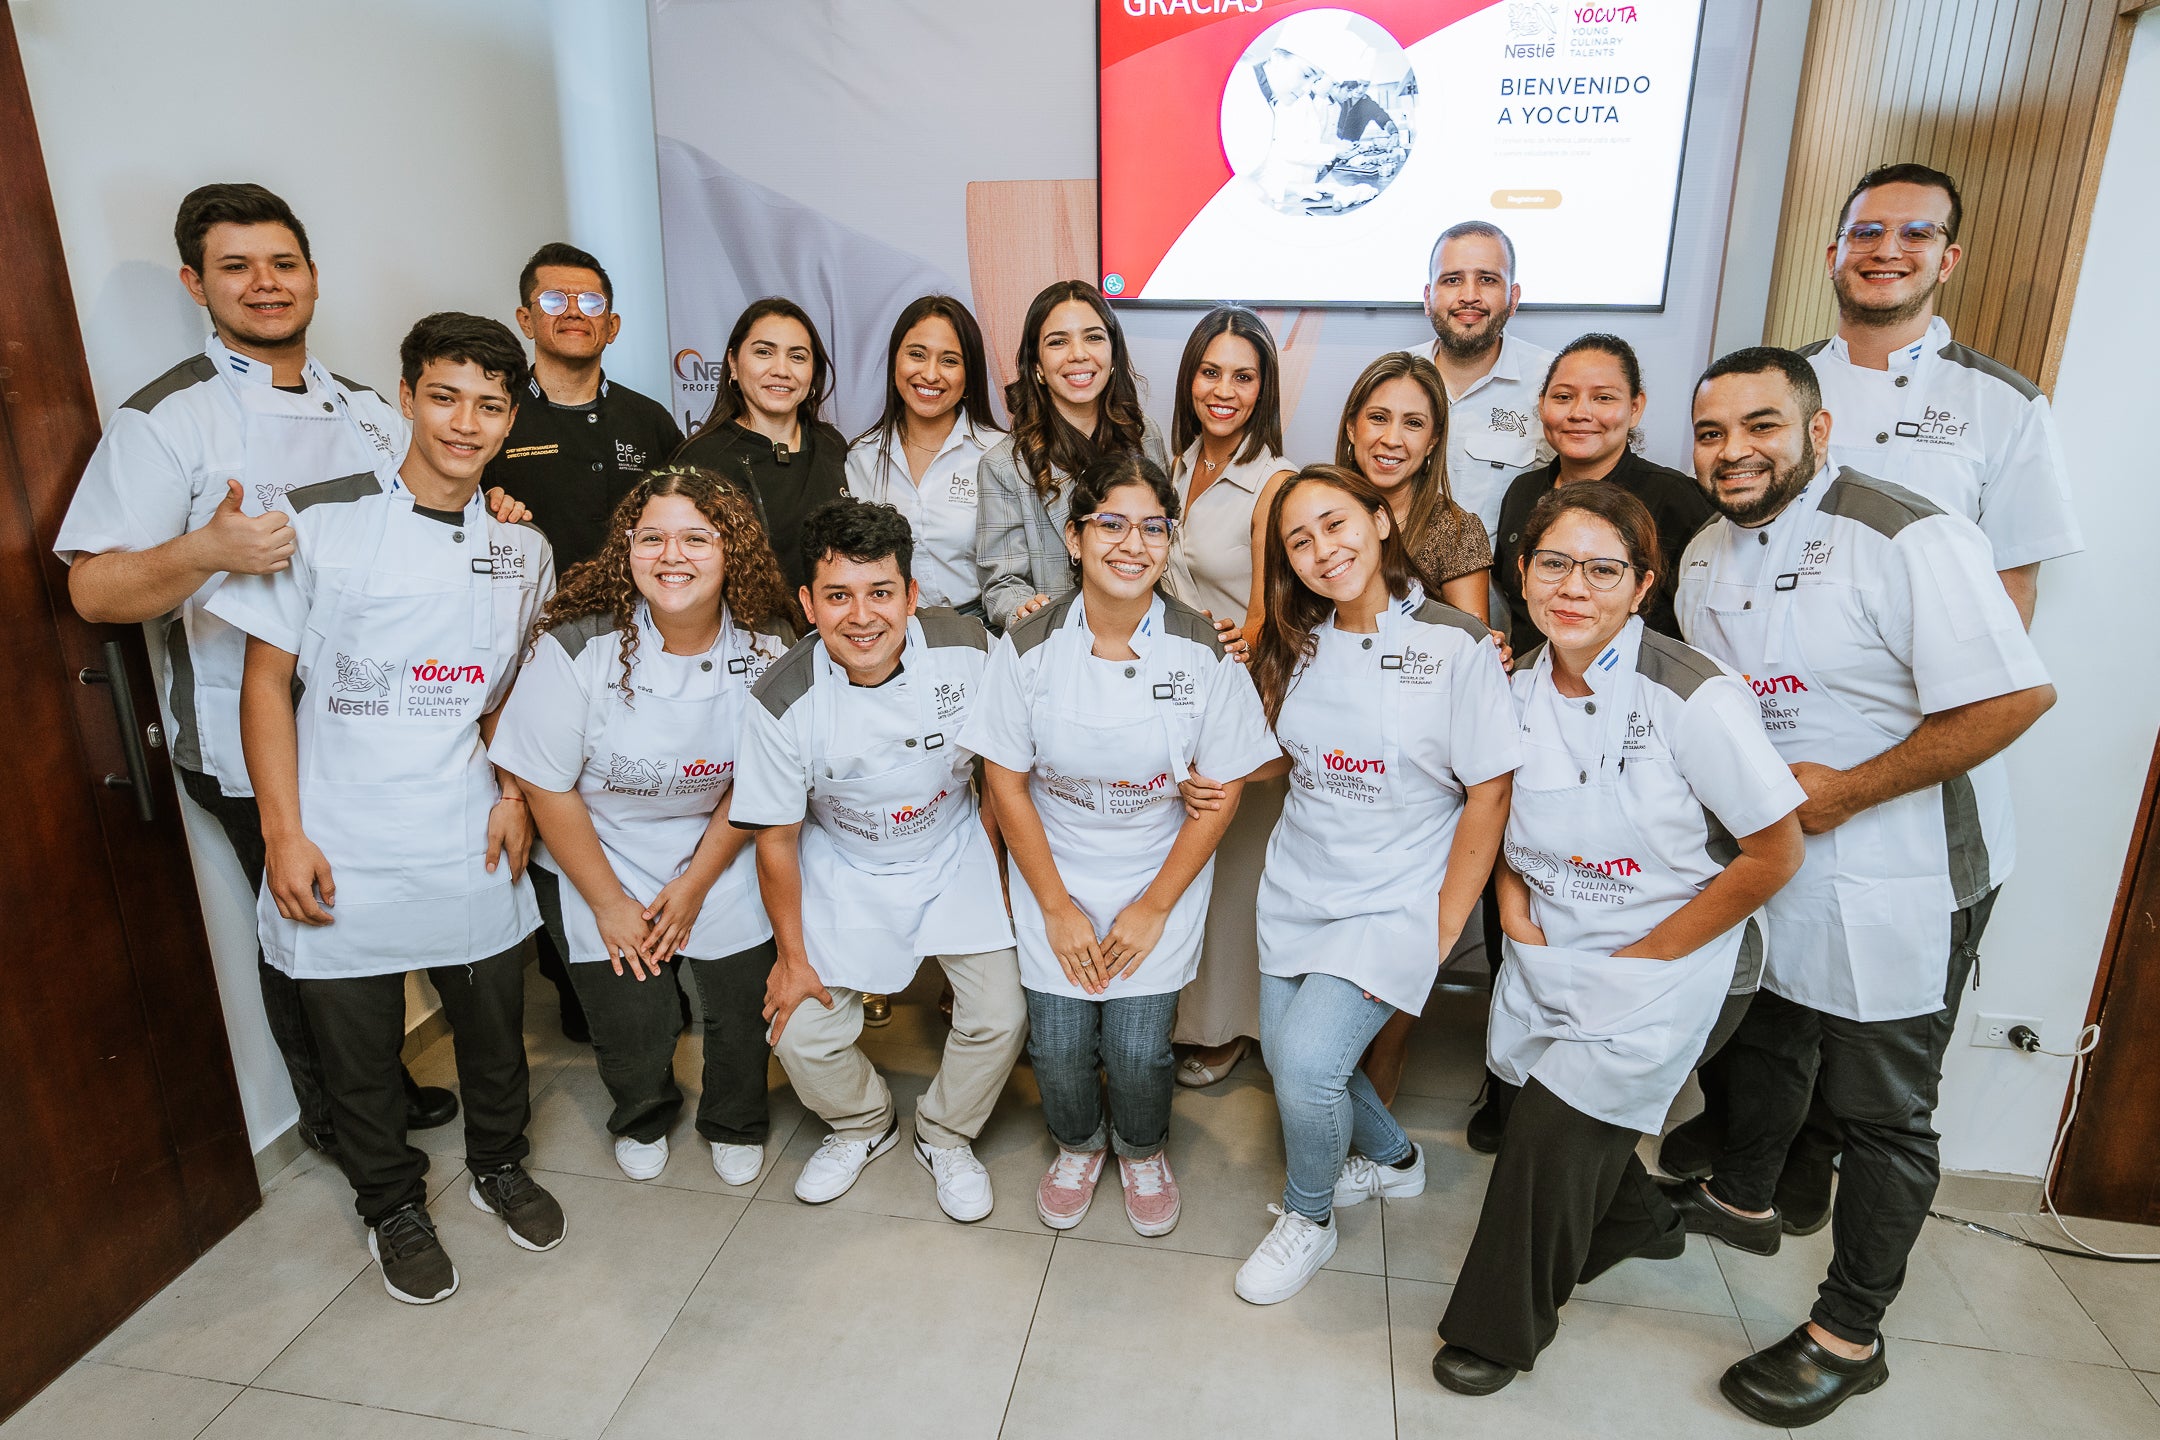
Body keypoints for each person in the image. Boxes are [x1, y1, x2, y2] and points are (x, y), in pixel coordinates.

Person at [1672, 348, 2054, 1426]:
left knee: (1884, 1112)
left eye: (1762, 426)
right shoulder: (1704, 555)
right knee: (1773, 1037)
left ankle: (1849, 1334)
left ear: (1818, 430)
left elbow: (2013, 697)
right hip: (1786, 858)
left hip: (1909, 870)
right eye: (1713, 433)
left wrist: (1851, 791)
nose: (1735, 450)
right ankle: (1745, 1198)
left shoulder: (1909, 533)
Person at [53, 183, 466, 1158]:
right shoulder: (168, 419)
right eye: (236, 266)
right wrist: (206, 552)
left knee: (372, 922)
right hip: (250, 744)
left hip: (378, 730)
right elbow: (94, 591)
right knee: (306, 937)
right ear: (199, 282)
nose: (265, 284)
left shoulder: (368, 410)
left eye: (282, 263)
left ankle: (389, 1086)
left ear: (313, 277)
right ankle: (337, 1124)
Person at [207, 313, 568, 1306]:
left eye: (490, 404)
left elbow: (510, 694)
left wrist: (511, 795)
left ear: (509, 419)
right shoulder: (319, 520)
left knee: (495, 1025)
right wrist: (282, 831)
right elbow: (264, 683)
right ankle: (389, 1205)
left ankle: (498, 1165)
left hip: (464, 825)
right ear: (405, 397)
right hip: (340, 830)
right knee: (358, 1049)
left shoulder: (520, 549)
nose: (466, 422)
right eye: (446, 396)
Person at [1430, 485, 1805, 1397]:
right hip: (1551, 946)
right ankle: (1636, 1218)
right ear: (1521, 573)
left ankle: (1495, 1330)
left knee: (1546, 1144)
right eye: (1554, 563)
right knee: (1530, 1107)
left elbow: (1774, 852)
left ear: (1643, 586)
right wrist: (1514, 908)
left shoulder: (1691, 694)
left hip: (1677, 961)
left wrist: (1649, 957)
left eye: (1603, 569)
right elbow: (1499, 806)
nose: (1574, 587)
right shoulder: (1509, 682)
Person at [960, 454, 1277, 1236]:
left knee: (1140, 1050)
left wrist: (1152, 907)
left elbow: (1226, 784)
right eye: (1110, 523)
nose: (1131, 543)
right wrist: (1057, 907)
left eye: (1153, 527)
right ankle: (1077, 1143)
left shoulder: (1201, 647)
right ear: (1074, 538)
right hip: (1055, 871)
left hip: (1156, 876)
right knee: (1060, 1047)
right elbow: (1005, 783)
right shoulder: (1028, 645)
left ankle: (1140, 1147)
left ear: (1169, 543)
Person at [1233, 465, 1518, 1306]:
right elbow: (1281, 757)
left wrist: (1443, 926)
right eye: (1299, 540)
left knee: (1311, 1067)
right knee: (1289, 1053)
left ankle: (1308, 1219)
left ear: (1382, 522)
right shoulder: (1298, 640)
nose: (1324, 550)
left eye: (1336, 523)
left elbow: (1491, 791)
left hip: (1397, 897)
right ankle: (1395, 1160)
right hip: (1299, 882)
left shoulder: (1455, 643)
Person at [487, 469, 790, 1187]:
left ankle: (735, 1118)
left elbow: (759, 779)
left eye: (696, 538)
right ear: (627, 548)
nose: (671, 555)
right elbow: (547, 784)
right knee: (631, 1011)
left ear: (732, 552)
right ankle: (642, 1110)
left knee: (738, 1000)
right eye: (651, 537)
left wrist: (694, 885)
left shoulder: (770, 645)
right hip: (598, 846)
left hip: (722, 841)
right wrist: (609, 903)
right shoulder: (574, 646)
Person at [733, 497, 1027, 1222]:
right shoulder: (778, 702)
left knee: (1000, 1014)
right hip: (844, 863)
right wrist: (792, 957)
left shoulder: (969, 648)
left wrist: (996, 873)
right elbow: (774, 837)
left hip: (950, 846)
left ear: (912, 596)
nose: (861, 617)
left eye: (880, 593)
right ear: (808, 604)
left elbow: (1000, 771)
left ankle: (945, 1133)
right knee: (797, 1030)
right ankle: (863, 1123)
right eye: (838, 596)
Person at [483, 243, 685, 1045]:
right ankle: (582, 988)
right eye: (556, 301)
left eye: (591, 302)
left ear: (614, 322)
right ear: (527, 318)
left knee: (637, 798)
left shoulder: (648, 420)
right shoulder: (498, 417)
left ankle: (661, 966)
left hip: (641, 653)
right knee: (551, 810)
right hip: (533, 660)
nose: (574, 314)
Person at [1158, 305, 1297, 1088]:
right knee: (1180, 854)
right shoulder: (1175, 467)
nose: (1224, 389)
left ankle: (1224, 1026)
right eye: (1211, 371)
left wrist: (1235, 648)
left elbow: (1265, 611)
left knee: (1235, 865)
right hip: (1173, 693)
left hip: (1240, 697)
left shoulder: (1272, 480)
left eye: (1243, 376)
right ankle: (1178, 1010)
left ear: (1263, 390)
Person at [1492, 333, 1712, 658]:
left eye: (1604, 398)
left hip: (1638, 697)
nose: (1580, 413)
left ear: (1635, 408)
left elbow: (1705, 623)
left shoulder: (1674, 498)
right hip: (1530, 691)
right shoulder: (1522, 492)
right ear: (1541, 405)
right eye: (1563, 397)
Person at [976, 280, 1168, 632]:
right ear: (1037, 365)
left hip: (1146, 636)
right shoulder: (1004, 465)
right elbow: (1002, 585)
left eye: (1093, 337)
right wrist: (1027, 611)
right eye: (1058, 341)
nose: (1078, 353)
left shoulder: (1145, 437)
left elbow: (1164, 541)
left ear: (1113, 355)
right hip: (1057, 643)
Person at [672, 297, 847, 596]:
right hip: (745, 637)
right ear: (733, 364)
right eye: (764, 352)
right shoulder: (700, 460)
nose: (781, 370)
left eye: (797, 356)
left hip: (834, 633)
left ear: (813, 371)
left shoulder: (832, 445)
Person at [846, 295, 1003, 618]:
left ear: (969, 375)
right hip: (889, 629)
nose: (930, 375)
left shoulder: (999, 455)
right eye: (917, 355)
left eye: (949, 360)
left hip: (985, 628)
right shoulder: (861, 457)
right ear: (895, 364)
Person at [1420, 221, 1557, 541]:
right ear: (1428, 298)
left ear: (1513, 297)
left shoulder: (1554, 384)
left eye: (1487, 279)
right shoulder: (1391, 379)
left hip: (1505, 591)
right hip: (1398, 588)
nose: (1469, 296)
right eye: (1452, 280)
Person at [1335, 351, 1491, 617]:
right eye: (1378, 418)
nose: (1392, 439)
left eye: (1413, 423)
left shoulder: (1455, 531)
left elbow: (1474, 648)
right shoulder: (1313, 514)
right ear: (1351, 427)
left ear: (1432, 441)